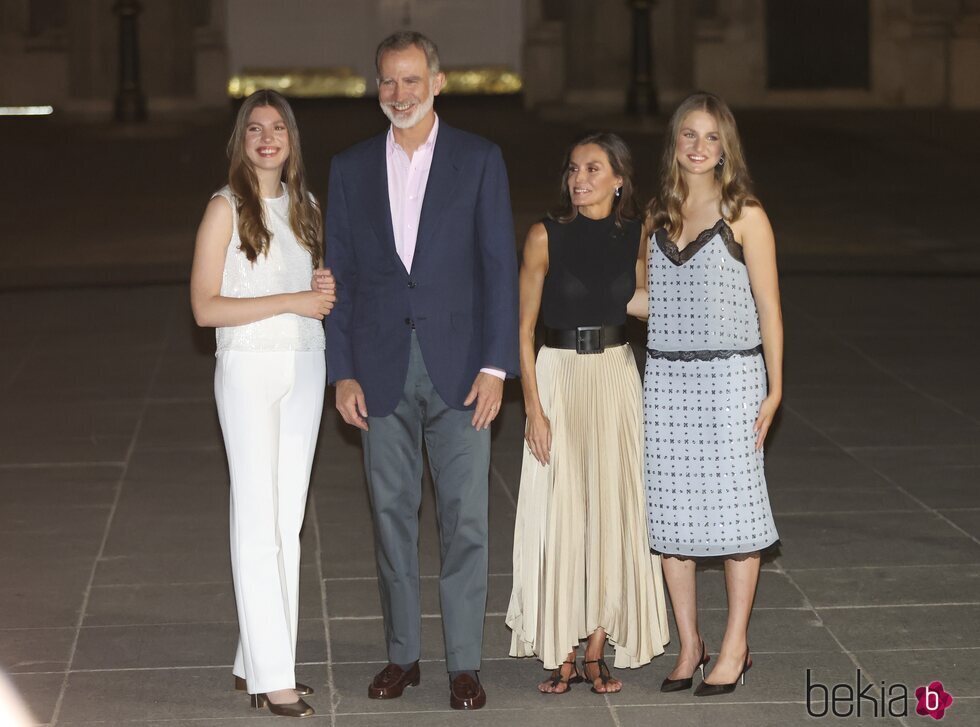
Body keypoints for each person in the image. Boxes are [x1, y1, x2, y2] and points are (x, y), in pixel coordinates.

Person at [323, 31, 519, 711]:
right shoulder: (349, 168)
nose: (399, 94)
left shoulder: (479, 160)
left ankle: (464, 662)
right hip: (378, 371)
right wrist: (340, 370)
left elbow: (501, 269)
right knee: (389, 517)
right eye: (387, 82)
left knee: (466, 519)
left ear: (438, 82)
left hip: (463, 371)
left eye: (411, 80)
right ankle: (402, 655)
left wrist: (498, 367)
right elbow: (339, 275)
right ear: (375, 88)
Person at [506, 132, 670, 695]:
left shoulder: (638, 234)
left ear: (619, 179)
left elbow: (644, 301)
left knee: (613, 508)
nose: (579, 180)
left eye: (593, 169)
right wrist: (533, 406)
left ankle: (597, 649)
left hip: (617, 376)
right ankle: (561, 650)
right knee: (560, 511)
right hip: (557, 375)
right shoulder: (544, 235)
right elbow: (523, 330)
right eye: (574, 169)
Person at [190, 89, 335, 718]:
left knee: (285, 522)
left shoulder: (305, 207)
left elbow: (307, 289)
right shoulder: (225, 208)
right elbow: (204, 308)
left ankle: (260, 658)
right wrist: (294, 301)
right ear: (240, 140)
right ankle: (275, 676)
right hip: (249, 368)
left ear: (292, 140)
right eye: (256, 128)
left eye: (278, 128)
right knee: (255, 519)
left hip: (305, 364)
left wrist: (319, 290)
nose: (268, 137)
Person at [632, 91, 782, 697]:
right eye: (688, 135)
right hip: (667, 379)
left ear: (726, 147)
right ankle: (689, 642)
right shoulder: (655, 215)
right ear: (675, 142)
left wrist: (774, 390)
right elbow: (645, 300)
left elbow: (770, 307)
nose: (698, 147)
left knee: (736, 516)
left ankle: (736, 643)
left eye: (711, 137)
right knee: (672, 518)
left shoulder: (745, 214)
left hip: (730, 380)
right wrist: (578, 288)